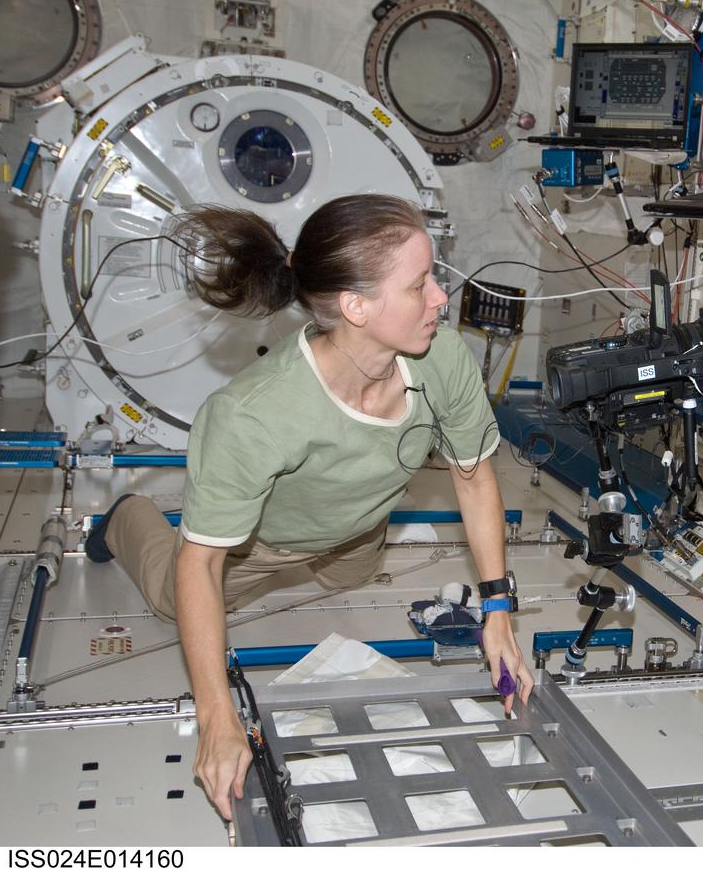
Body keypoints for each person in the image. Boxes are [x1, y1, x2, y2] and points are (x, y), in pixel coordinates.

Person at [83, 194, 535, 820]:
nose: (440, 297)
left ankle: (334, 552)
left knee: (347, 577)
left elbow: (474, 478)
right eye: (419, 285)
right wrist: (216, 715)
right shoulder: (252, 414)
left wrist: (498, 612)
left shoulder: (444, 358)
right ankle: (128, 515)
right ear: (356, 306)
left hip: (360, 531)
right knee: (170, 597)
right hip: (263, 544)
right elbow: (202, 564)